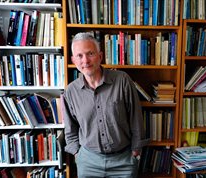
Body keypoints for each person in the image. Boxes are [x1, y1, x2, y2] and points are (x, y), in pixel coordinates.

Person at [63, 32, 149, 178]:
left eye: (90, 53)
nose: (85, 60)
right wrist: (77, 154)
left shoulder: (122, 80)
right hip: (88, 162)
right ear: (73, 60)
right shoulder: (71, 91)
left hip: (123, 161)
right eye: (79, 56)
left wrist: (136, 151)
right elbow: (70, 129)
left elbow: (136, 117)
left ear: (100, 56)